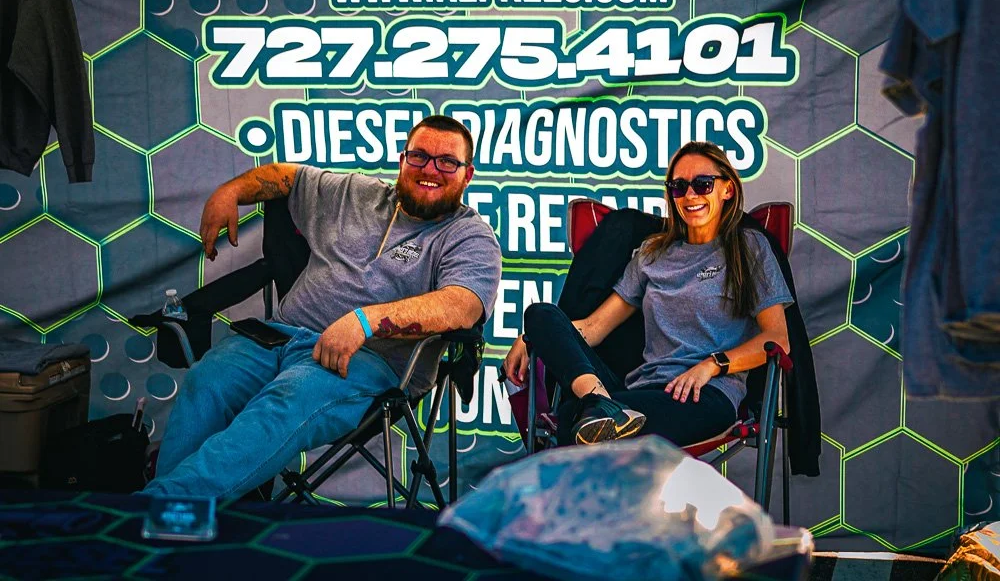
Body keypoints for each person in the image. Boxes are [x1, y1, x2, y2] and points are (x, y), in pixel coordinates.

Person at [143, 115, 502, 499]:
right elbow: (286, 177)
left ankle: (161, 508)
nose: (430, 169)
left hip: (369, 361)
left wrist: (366, 321)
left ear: (467, 175)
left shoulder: (469, 236)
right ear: (402, 161)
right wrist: (228, 193)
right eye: (419, 156)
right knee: (207, 382)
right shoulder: (355, 193)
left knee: (285, 401)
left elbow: (461, 305)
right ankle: (174, 521)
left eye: (447, 162)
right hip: (276, 337)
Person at [503, 141, 792, 447]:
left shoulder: (749, 248)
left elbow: (778, 339)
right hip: (641, 391)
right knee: (541, 315)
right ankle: (599, 401)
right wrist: (534, 336)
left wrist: (713, 364)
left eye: (703, 184)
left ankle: (601, 411)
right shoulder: (653, 254)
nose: (691, 195)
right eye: (679, 187)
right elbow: (594, 328)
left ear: (727, 190)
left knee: (573, 423)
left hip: (704, 394)